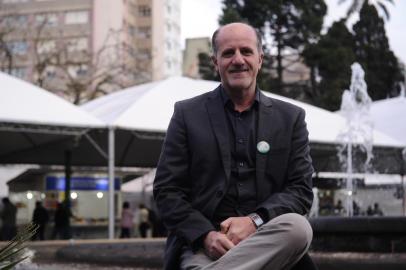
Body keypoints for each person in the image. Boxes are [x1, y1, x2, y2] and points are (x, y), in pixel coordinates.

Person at [153, 22, 316, 270]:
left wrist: (254, 221)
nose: (238, 60)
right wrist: (206, 235)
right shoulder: (187, 114)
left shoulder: (290, 118)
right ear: (215, 62)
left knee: (299, 228)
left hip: (266, 238)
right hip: (206, 244)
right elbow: (167, 191)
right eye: (228, 53)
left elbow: (300, 190)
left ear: (260, 59)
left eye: (246, 52)